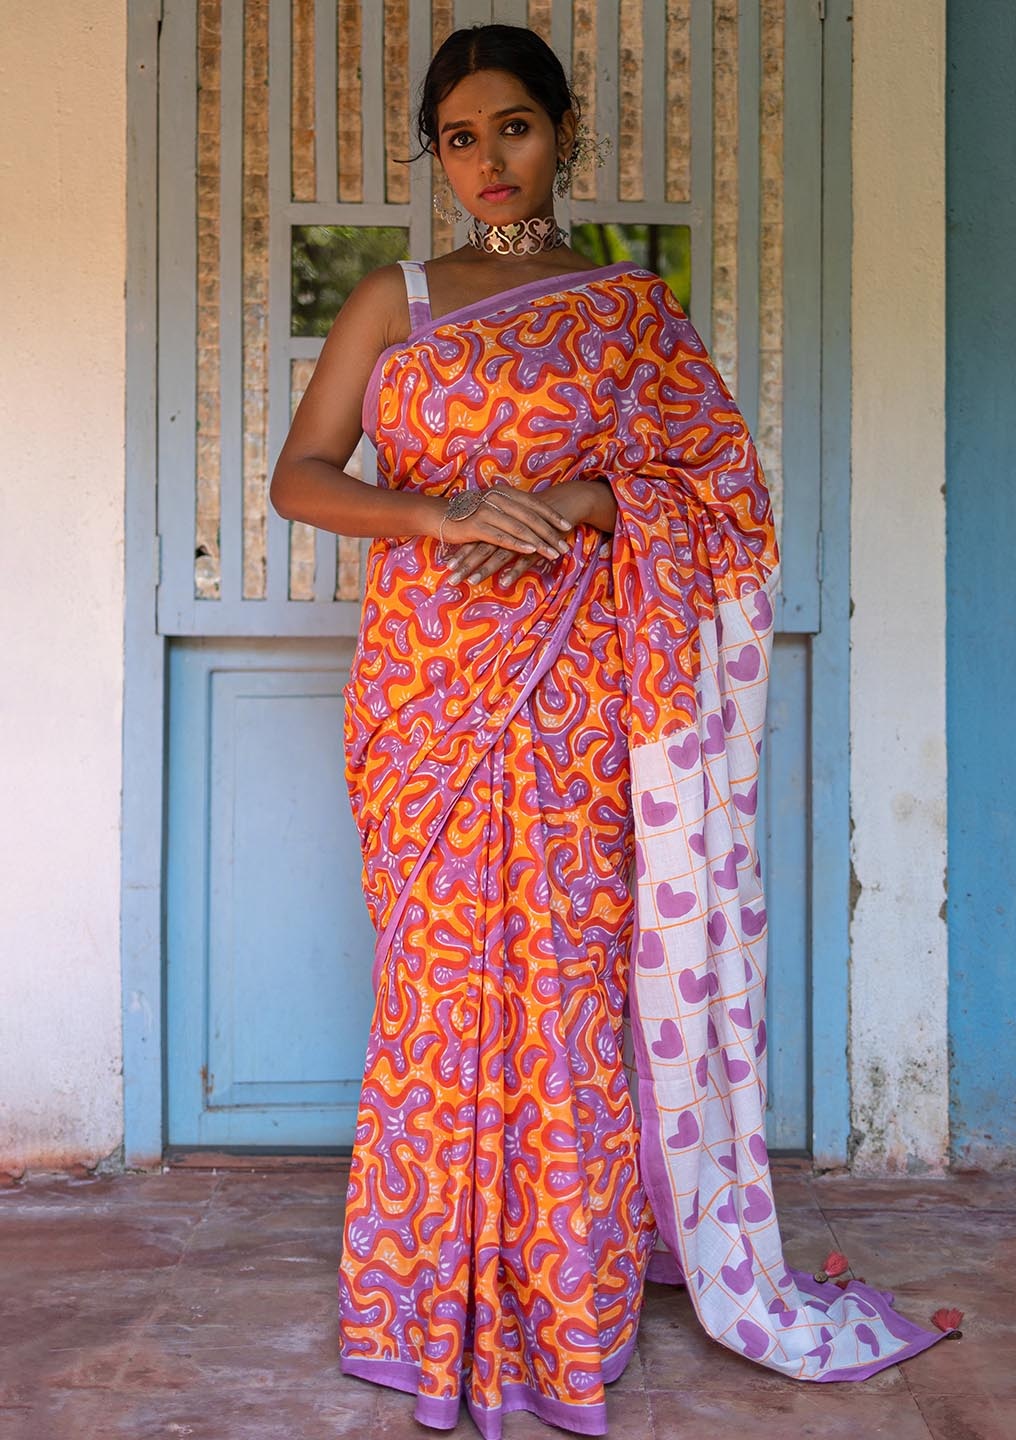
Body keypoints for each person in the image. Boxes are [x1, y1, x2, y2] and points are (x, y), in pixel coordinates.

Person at [270, 23, 952, 1439]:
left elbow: (723, 500)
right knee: (441, 985)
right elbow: (301, 476)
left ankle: (569, 1293)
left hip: (585, 689)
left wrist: (586, 503)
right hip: (427, 695)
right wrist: (437, 512)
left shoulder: (634, 311)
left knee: (571, 984)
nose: (487, 161)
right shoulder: (394, 301)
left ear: (564, 134)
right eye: (459, 136)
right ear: (437, 154)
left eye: (513, 127)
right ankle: (419, 1291)